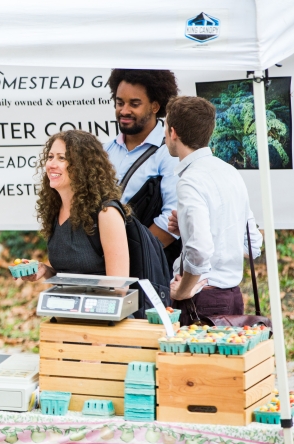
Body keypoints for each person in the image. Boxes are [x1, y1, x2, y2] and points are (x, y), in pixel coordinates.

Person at [164, 96, 262, 325]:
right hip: (231, 297)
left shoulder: (190, 181)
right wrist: (188, 231)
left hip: (202, 300)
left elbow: (199, 250)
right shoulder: (230, 172)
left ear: (173, 132)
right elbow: (253, 245)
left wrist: (182, 291)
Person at [23, 130, 130, 281]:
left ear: (83, 166)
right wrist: (45, 270)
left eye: (62, 158)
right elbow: (70, 275)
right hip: (62, 303)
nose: (51, 164)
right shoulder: (55, 210)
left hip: (98, 303)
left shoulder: (107, 213)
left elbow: (119, 287)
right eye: (50, 157)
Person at [104, 69, 181, 272]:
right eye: (120, 103)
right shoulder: (105, 151)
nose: (124, 110)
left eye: (134, 104)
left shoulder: (169, 154)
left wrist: (130, 255)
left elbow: (172, 220)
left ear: (155, 106)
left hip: (149, 270)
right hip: (105, 266)